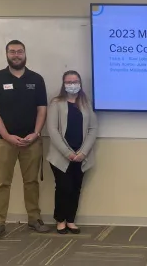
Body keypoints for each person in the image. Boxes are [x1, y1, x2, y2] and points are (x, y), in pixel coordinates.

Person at [0, 40, 50, 242]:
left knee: (31, 182)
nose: (16, 55)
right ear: (6, 54)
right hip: (4, 142)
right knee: (2, 183)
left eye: (19, 51)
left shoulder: (37, 79)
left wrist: (36, 133)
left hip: (31, 142)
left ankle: (34, 218)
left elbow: (42, 109)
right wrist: (7, 136)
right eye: (12, 52)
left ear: (25, 54)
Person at [46, 70, 98, 234]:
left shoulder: (86, 103)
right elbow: (52, 130)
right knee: (63, 188)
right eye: (68, 82)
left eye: (75, 81)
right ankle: (60, 220)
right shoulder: (56, 103)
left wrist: (82, 152)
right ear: (63, 84)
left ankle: (70, 220)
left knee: (75, 188)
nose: (72, 85)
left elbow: (93, 128)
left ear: (80, 83)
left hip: (81, 156)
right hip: (60, 157)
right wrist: (68, 153)